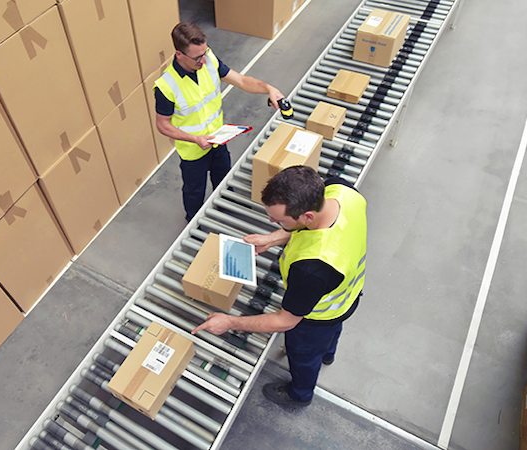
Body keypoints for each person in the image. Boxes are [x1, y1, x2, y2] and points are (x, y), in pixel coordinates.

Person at [192, 166, 367, 406]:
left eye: (280, 220)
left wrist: (229, 322)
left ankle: (300, 394)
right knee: (332, 334)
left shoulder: (312, 268)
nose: (273, 222)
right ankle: (328, 354)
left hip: (318, 316)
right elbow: (313, 227)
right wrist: (271, 239)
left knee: (304, 355)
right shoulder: (342, 191)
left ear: (306, 216)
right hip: (347, 295)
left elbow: (286, 321)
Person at [154, 22, 285, 222]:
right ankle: (194, 224)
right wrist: (194, 138)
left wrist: (268, 88)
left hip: (218, 139)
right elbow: (163, 125)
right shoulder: (166, 85)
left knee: (223, 178)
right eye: (197, 56)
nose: (203, 59)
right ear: (179, 54)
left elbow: (240, 80)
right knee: (194, 191)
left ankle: (226, 206)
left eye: (205, 52)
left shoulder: (209, 60)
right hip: (193, 150)